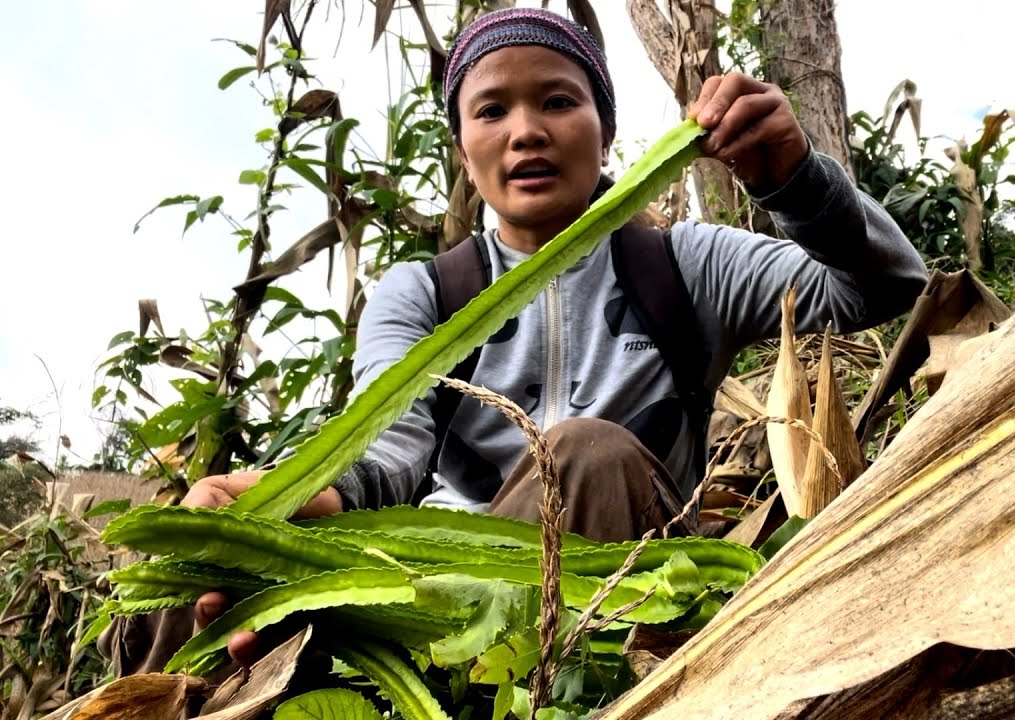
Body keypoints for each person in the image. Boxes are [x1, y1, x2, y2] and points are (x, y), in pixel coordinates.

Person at [101, 7, 927, 674]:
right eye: (491, 110)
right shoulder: (424, 293)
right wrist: (299, 500)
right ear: (465, 148)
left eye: (559, 101)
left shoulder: (686, 263)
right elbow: (389, 446)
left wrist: (793, 176)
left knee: (586, 454)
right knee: (196, 547)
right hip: (443, 591)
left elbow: (882, 288)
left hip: (621, 593)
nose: (525, 130)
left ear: (605, 133)